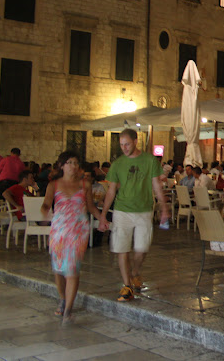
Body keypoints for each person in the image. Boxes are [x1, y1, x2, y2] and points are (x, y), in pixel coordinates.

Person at [98, 129, 168, 302]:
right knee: (122, 248)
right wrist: (103, 214)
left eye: (127, 144)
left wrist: (164, 207)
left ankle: (135, 271)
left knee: (142, 248)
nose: (124, 148)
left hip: (144, 210)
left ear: (136, 141)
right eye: (121, 145)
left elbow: (156, 185)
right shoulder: (118, 164)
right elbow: (111, 190)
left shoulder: (149, 160)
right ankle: (127, 285)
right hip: (122, 210)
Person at [41, 151, 101, 324]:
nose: (73, 166)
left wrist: (102, 219)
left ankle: (68, 310)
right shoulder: (54, 184)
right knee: (59, 269)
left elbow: (90, 207)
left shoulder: (85, 184)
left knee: (72, 269)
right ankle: (63, 298)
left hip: (78, 230)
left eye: (75, 163)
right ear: (62, 166)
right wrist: (44, 211)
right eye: (69, 162)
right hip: (59, 230)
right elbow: (47, 203)